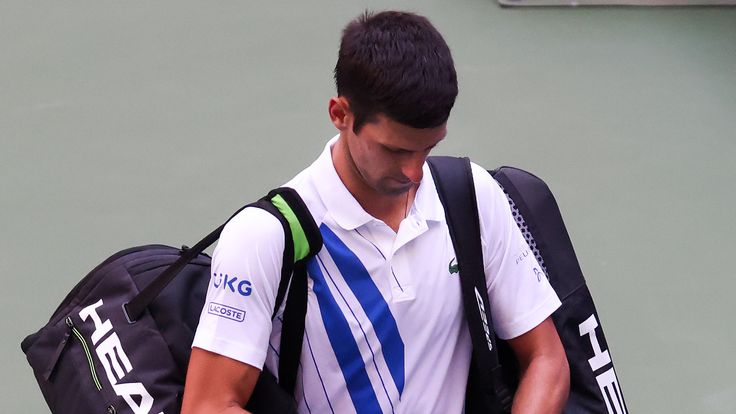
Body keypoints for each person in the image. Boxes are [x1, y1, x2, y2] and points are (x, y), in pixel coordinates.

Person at [182, 10, 569, 414]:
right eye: (396, 150)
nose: (414, 171)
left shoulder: (473, 197)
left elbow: (545, 359)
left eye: (429, 147)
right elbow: (209, 405)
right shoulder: (263, 238)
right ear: (340, 114)